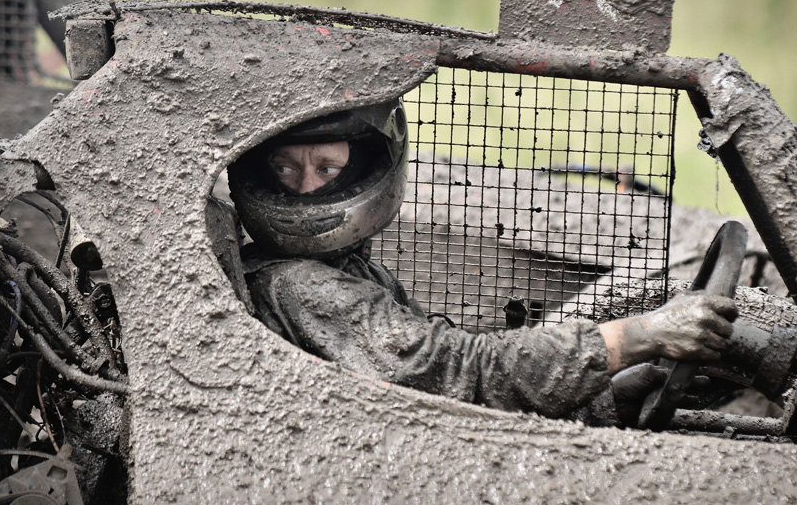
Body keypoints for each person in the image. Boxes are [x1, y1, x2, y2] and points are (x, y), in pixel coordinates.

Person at [227, 99, 738, 426]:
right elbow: (456, 369)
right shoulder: (300, 284)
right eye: (285, 167)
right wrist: (638, 336)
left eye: (327, 167)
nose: (304, 187)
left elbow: (454, 394)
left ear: (364, 168)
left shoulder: (352, 269)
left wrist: (608, 401)